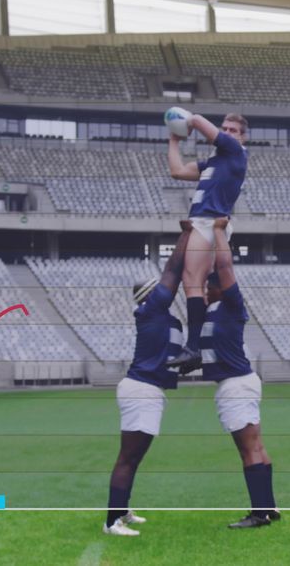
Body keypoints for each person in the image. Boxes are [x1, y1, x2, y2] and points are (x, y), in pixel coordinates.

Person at [104, 220, 193, 536]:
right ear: (152, 296)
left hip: (149, 389)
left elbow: (172, 360)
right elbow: (173, 270)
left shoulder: (167, 322)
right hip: (142, 389)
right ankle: (111, 522)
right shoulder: (152, 310)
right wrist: (188, 234)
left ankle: (122, 511)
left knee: (135, 456)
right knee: (128, 457)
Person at [201, 216, 280, 529]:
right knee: (257, 447)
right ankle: (269, 508)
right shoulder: (213, 310)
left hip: (236, 386)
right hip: (238, 383)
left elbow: (225, 268)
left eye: (210, 289)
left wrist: (220, 233)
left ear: (221, 290)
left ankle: (259, 514)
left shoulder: (232, 305)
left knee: (248, 450)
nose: (206, 293)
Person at [165, 110, 249, 373]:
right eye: (224, 128)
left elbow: (200, 120)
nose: (226, 133)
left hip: (209, 221)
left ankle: (193, 348)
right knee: (206, 287)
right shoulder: (211, 164)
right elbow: (177, 171)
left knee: (192, 280)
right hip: (206, 223)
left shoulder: (235, 153)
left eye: (232, 130)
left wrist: (188, 121)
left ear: (242, 138)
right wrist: (174, 140)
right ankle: (197, 347)